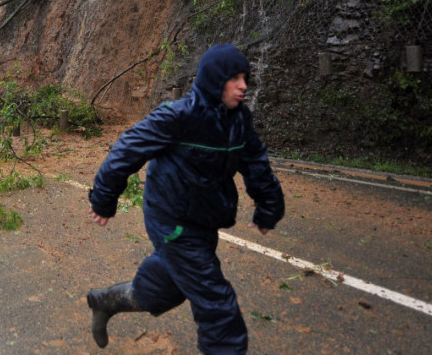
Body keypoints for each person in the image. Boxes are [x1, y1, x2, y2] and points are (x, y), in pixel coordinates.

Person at [86, 44, 285, 354]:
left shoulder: (240, 120)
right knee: (217, 304)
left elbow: (256, 162)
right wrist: (104, 198)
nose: (243, 86)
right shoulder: (178, 116)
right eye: (234, 78)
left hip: (203, 218)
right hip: (171, 220)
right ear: (214, 80)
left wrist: (269, 206)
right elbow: (127, 149)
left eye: (245, 77)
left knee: (169, 288)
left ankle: (106, 301)